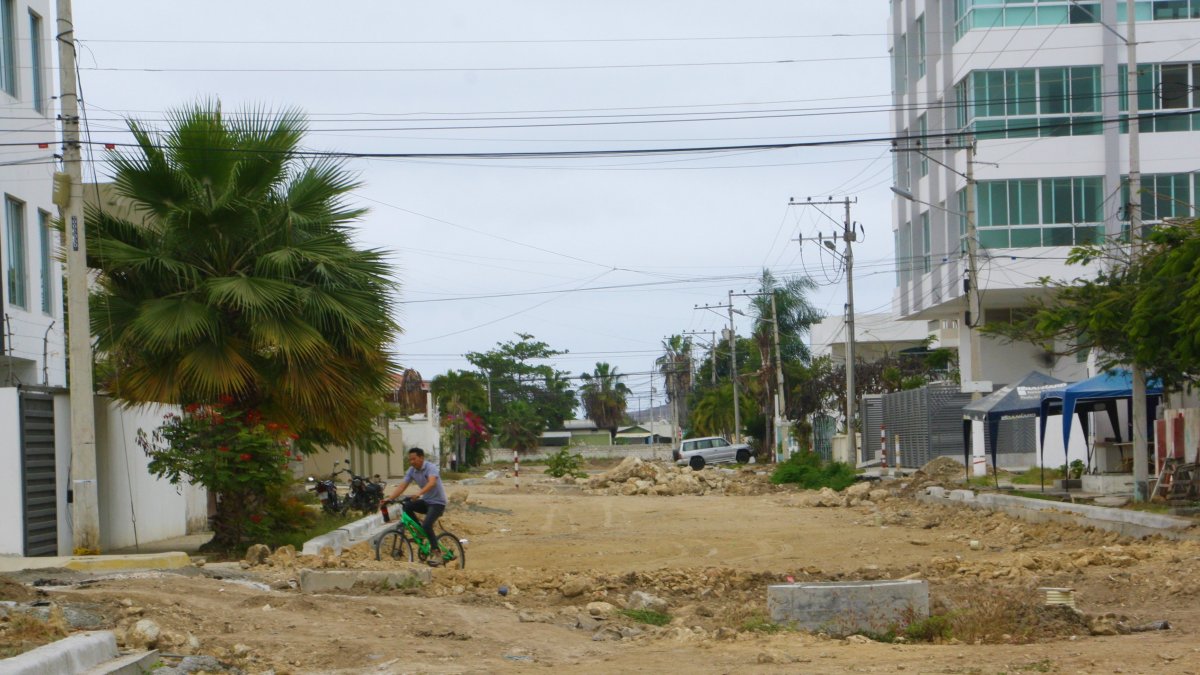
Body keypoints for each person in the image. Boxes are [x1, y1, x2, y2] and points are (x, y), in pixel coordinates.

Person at [383, 447, 448, 566]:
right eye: (410, 460)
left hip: (438, 503)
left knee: (427, 525)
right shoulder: (412, 470)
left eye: (414, 459)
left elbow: (432, 482)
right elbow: (402, 486)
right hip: (427, 501)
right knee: (407, 507)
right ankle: (420, 531)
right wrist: (390, 498)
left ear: (421, 458)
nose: (412, 462)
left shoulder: (430, 467)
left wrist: (419, 493)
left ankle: (437, 554)